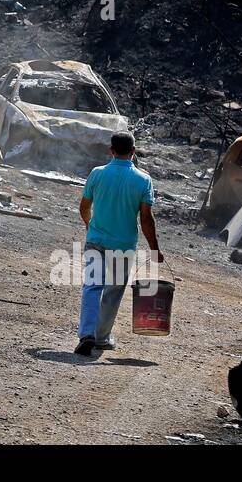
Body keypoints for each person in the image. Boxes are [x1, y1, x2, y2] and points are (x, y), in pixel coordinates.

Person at [75, 131, 162, 356]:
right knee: (113, 292)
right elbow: (146, 219)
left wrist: (89, 225)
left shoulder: (97, 173)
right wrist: (154, 248)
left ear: (111, 150)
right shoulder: (143, 180)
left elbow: (84, 206)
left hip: (96, 240)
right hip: (123, 245)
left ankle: (86, 335)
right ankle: (102, 338)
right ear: (133, 152)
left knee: (92, 287)